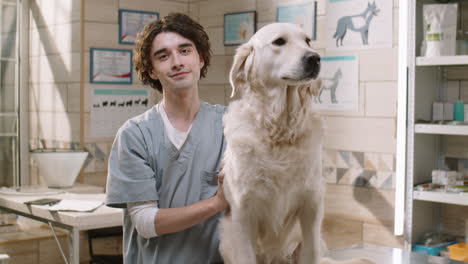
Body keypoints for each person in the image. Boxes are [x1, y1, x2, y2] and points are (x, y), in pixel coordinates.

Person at [105, 13, 228, 264]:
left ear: (200, 58)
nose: (177, 62)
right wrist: (217, 203)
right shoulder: (134, 135)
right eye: (163, 56)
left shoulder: (230, 126)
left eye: (185, 51)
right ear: (151, 70)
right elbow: (145, 222)